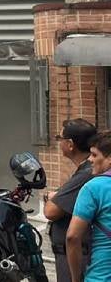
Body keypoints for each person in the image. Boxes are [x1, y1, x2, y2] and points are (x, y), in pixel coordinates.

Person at [46, 119, 98, 281]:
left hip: (78, 255)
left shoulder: (87, 174)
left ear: (70, 144)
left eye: (59, 138)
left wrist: (52, 197)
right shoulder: (84, 171)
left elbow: (51, 211)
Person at [69, 131, 111, 281]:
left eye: (94, 155)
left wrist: (75, 278)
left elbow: (72, 237)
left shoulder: (94, 188)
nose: (90, 160)